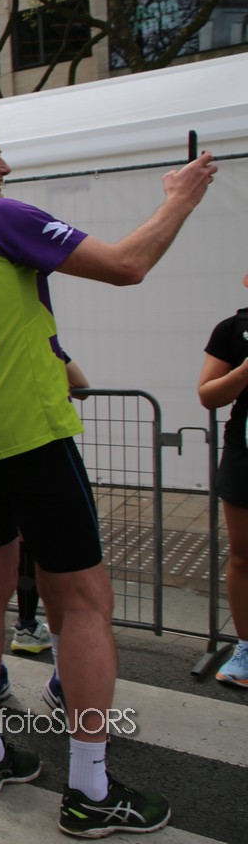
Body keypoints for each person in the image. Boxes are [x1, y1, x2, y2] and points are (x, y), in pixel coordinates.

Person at [0, 117, 215, 836]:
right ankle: (90, 789)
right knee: (86, 602)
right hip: (29, 432)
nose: (4, 168)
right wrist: (181, 198)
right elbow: (127, 264)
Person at [196, 276, 248, 688]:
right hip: (244, 455)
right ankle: (246, 647)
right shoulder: (232, 330)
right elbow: (209, 394)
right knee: (244, 556)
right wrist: (245, 371)